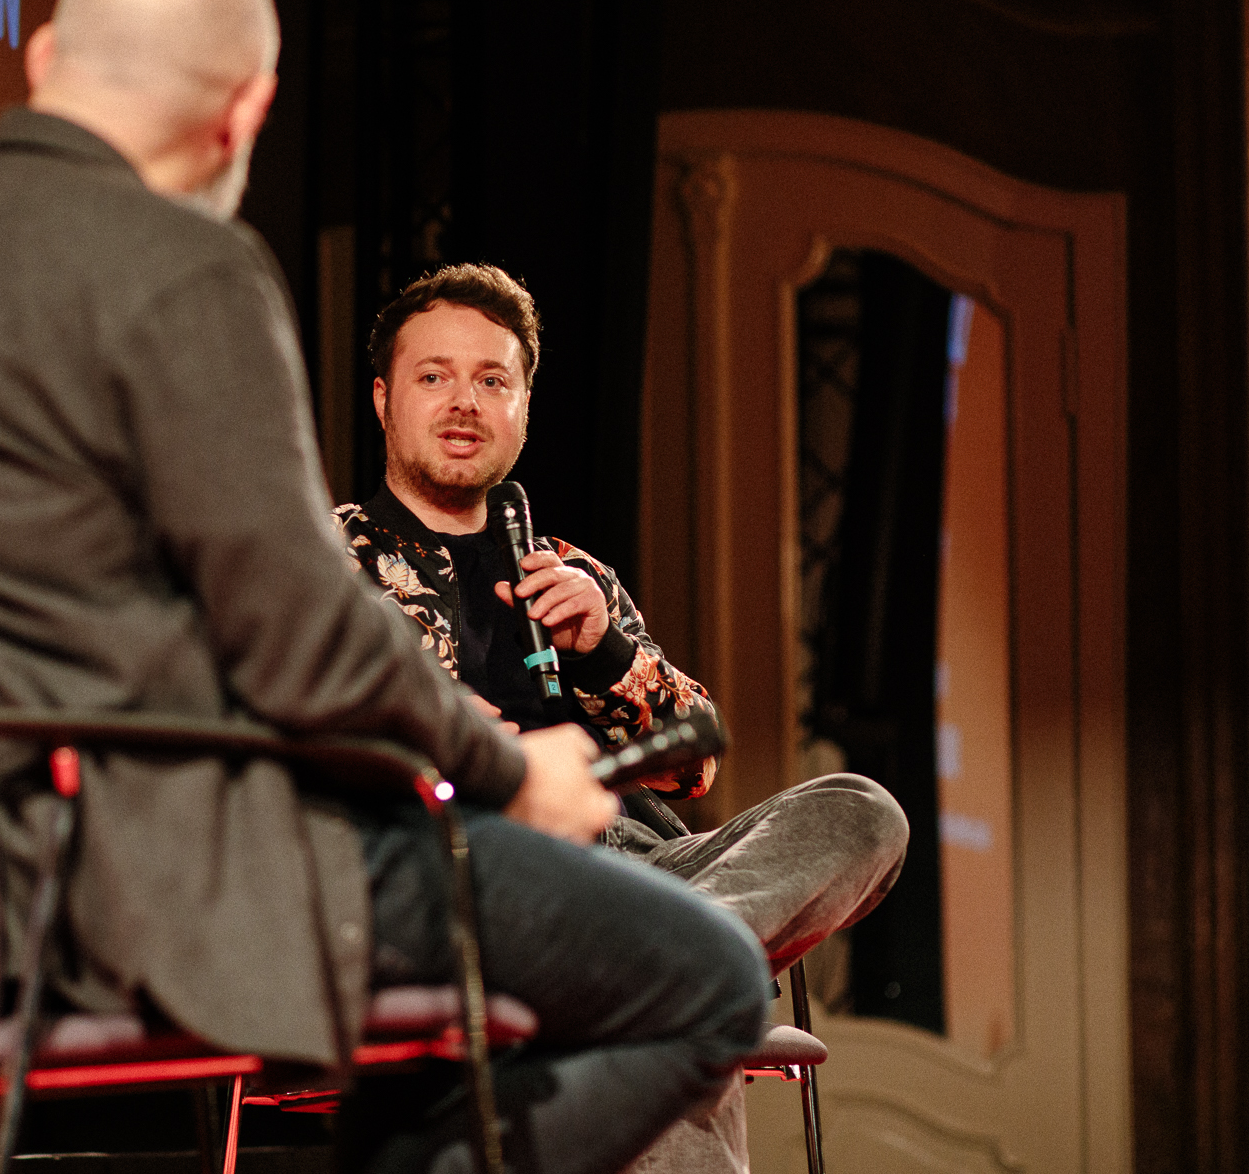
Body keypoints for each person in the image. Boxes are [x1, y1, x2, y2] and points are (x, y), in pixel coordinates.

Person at [0, 0, 769, 1174]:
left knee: (484, 1003)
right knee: (709, 976)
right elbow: (306, 642)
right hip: (159, 888)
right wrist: (513, 776)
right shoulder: (184, 267)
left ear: (41, 59)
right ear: (244, 109)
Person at [335, 263, 911, 1173]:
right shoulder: (328, 564)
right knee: (682, 1011)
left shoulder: (571, 570)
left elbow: (693, 764)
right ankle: (675, 965)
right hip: (463, 879)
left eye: (493, 379)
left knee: (863, 809)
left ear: (524, 405)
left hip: (636, 868)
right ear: (383, 398)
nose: (464, 402)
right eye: (434, 375)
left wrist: (604, 647)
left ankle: (660, 953)